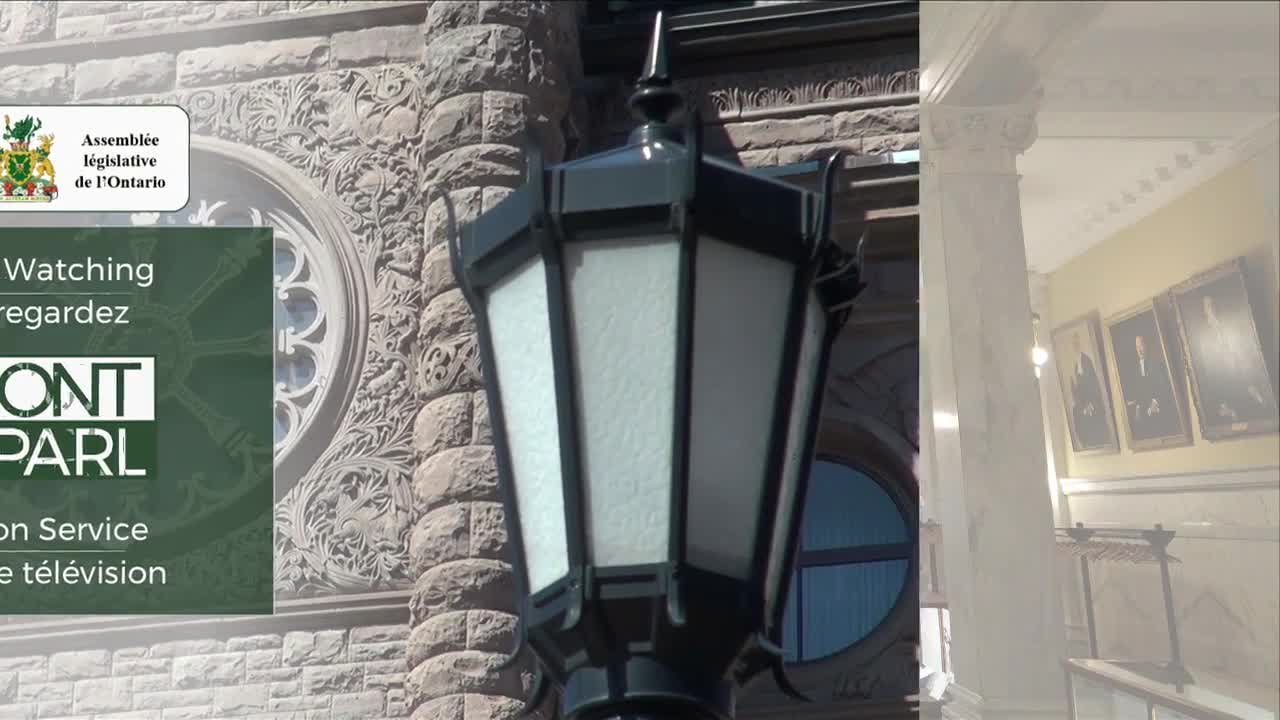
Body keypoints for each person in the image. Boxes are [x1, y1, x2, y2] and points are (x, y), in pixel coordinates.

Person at [1197, 294, 1271, 422]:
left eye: (1213, 304)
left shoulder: (1230, 326)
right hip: (1224, 381)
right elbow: (1210, 370)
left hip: (1241, 373)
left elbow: (1242, 351)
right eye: (1208, 306)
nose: (1212, 308)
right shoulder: (1203, 337)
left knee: (1258, 402)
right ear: (1204, 311)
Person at [1124, 333, 1179, 440]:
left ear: (1146, 345)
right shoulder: (1135, 369)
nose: (1139, 350)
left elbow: (1163, 387)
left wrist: (1155, 402)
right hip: (1143, 412)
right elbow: (1137, 392)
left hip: (1159, 409)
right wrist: (1136, 405)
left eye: (1141, 346)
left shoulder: (1157, 363)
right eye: (1137, 347)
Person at [1068, 332, 1109, 448]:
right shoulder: (1076, 365)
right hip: (1085, 405)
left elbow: (1093, 384)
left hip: (1093, 403)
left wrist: (1090, 405)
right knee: (1078, 415)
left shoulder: (1086, 360)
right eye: (1073, 344)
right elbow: (1079, 389)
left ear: (1079, 343)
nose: (1075, 345)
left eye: (1076, 342)